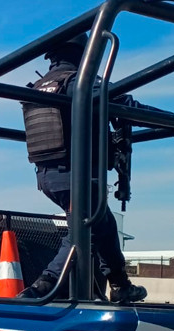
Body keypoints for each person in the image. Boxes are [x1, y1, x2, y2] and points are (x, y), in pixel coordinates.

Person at [18, 33, 147, 303]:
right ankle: (44, 284)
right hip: (76, 175)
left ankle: (120, 283)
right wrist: (172, 121)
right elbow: (124, 105)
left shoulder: (39, 86)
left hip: (48, 176)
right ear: (83, 52)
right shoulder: (80, 82)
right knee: (84, 229)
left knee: (104, 225)